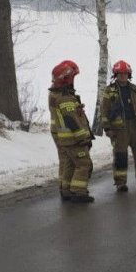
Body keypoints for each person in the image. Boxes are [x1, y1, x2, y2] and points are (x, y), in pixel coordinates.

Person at [100, 60, 136, 192]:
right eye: (120, 74)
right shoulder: (109, 90)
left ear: (129, 75)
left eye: (125, 74)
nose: (123, 76)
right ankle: (120, 183)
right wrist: (107, 128)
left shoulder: (135, 89)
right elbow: (104, 110)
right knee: (120, 156)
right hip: (119, 129)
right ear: (116, 75)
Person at [48, 60, 94, 203]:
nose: (74, 80)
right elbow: (71, 120)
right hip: (73, 138)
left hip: (64, 138)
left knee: (69, 163)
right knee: (84, 164)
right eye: (73, 77)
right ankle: (78, 192)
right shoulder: (65, 97)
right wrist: (82, 137)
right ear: (66, 79)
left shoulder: (56, 95)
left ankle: (66, 190)